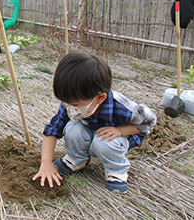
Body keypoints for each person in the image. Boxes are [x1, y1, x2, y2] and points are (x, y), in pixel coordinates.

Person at [32, 51, 156, 193]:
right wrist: (46, 163)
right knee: (72, 128)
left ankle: (117, 170)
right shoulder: (72, 103)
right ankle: (77, 159)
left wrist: (120, 131)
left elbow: (150, 121)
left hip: (116, 138)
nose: (70, 108)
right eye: (66, 103)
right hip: (90, 129)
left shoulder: (122, 108)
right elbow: (53, 130)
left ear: (100, 98)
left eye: (76, 105)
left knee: (102, 143)